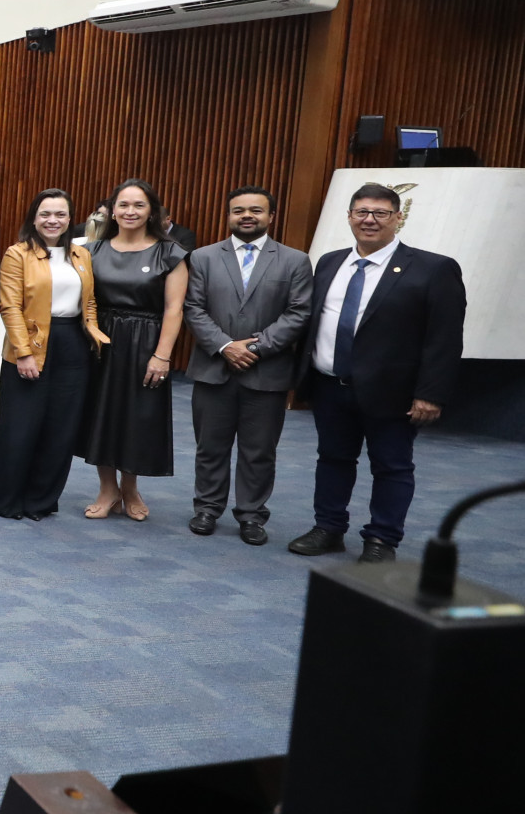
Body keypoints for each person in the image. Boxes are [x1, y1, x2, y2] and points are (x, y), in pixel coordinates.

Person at [287, 183, 465, 564]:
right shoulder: (330, 262)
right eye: (361, 212)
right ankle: (328, 528)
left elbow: (445, 339)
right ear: (349, 216)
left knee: (392, 466)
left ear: (398, 219)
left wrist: (430, 393)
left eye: (381, 213)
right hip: (329, 385)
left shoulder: (434, 269)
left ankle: (382, 540)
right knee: (332, 459)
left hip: (394, 394)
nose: (369, 220)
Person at [182, 187, 314, 545]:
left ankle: (252, 516)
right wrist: (225, 346)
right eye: (238, 210)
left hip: (266, 371)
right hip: (214, 367)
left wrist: (254, 347)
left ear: (271, 216)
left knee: (258, 450)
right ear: (228, 216)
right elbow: (193, 308)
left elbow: (299, 312)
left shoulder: (294, 260)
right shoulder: (203, 258)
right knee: (210, 446)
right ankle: (207, 508)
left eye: (255, 210)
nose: (246, 216)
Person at [0, 190, 107, 520]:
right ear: (33, 218)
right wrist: (24, 353)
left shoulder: (81, 255)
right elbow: (10, 306)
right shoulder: (18, 254)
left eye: (60, 214)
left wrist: (95, 335)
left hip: (73, 344)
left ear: (70, 219)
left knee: (61, 426)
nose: (52, 220)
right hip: (30, 344)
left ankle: (41, 500)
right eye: (45, 214)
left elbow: (90, 302)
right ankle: (10, 501)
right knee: (20, 426)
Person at [78, 179, 189, 521]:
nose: (130, 211)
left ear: (152, 211)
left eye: (138, 205)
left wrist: (162, 355)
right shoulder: (92, 251)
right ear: (112, 210)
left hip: (146, 342)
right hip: (100, 341)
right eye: (123, 205)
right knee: (101, 414)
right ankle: (107, 489)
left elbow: (174, 309)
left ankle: (130, 488)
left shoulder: (169, 252)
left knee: (137, 416)